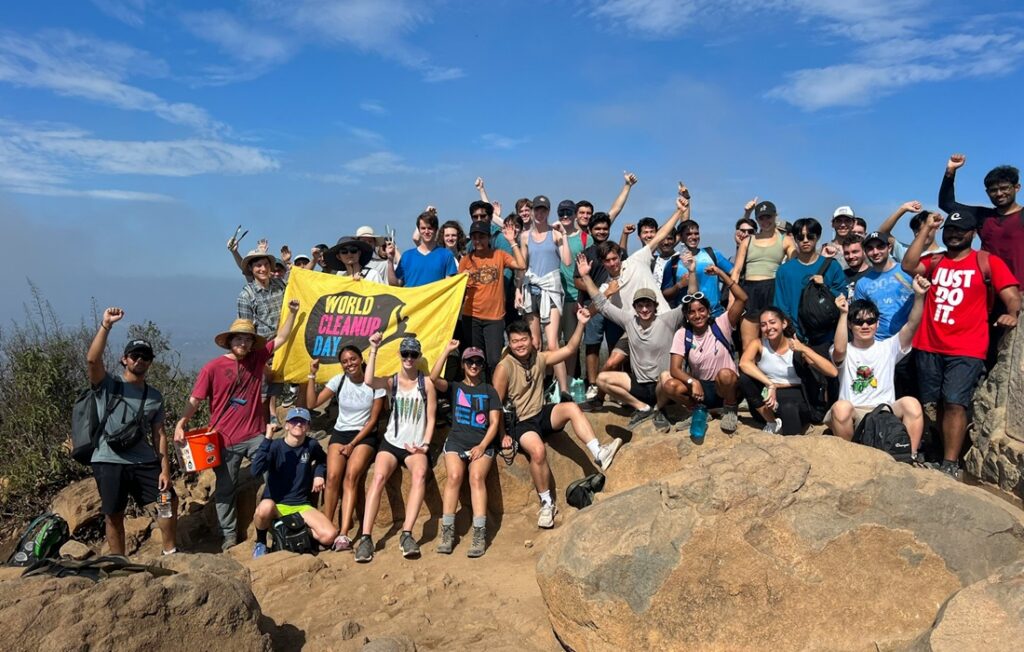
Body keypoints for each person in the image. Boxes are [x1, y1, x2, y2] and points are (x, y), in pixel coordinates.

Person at [901, 209, 1021, 478]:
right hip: (929, 343)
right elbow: (908, 265)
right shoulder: (935, 261)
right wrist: (925, 230)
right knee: (936, 403)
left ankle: (950, 462)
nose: (954, 235)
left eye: (960, 231)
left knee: (956, 402)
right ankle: (939, 452)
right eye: (950, 230)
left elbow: (1011, 294)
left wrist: (1011, 314)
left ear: (972, 233)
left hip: (967, 346)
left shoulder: (986, 261)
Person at [174, 301, 300, 551]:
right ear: (230, 341)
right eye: (239, 339)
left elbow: (282, 337)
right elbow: (195, 399)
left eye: (247, 340)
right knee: (225, 487)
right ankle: (229, 535)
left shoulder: (257, 358)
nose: (243, 344)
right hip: (224, 439)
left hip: (255, 434)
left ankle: (279, 522)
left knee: (274, 471)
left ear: (253, 343)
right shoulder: (213, 368)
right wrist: (182, 423)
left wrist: (294, 313)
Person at [493, 315, 622, 529]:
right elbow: (495, 404)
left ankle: (599, 453)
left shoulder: (539, 357)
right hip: (521, 423)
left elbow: (570, 349)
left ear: (531, 339)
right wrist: (502, 435)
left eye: (523, 339)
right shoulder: (504, 367)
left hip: (541, 413)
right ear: (509, 343)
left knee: (571, 407)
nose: (519, 345)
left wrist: (580, 322)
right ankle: (546, 504)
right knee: (538, 452)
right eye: (514, 341)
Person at [86, 308, 177, 556]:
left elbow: (159, 434)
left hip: (143, 459)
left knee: (166, 500)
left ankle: (171, 553)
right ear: (124, 359)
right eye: (135, 355)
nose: (140, 360)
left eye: (145, 356)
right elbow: (92, 360)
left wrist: (165, 469)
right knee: (114, 513)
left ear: (150, 362)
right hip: (108, 458)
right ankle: (118, 561)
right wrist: (106, 325)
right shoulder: (108, 384)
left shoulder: (154, 397)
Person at [577, 253, 683, 431]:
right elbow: (602, 303)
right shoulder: (630, 321)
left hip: (662, 387)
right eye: (640, 306)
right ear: (634, 308)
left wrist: (693, 274)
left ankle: (659, 409)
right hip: (639, 386)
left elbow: (690, 303)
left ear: (655, 306)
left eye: (648, 305)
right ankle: (642, 408)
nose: (644, 309)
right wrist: (586, 276)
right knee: (602, 379)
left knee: (666, 377)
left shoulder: (668, 319)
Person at [354, 335, 437, 563]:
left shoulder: (426, 383)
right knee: (378, 477)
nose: (409, 358)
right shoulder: (393, 382)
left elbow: (431, 417)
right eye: (405, 354)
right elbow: (368, 380)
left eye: (413, 354)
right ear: (400, 356)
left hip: (416, 446)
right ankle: (366, 538)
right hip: (392, 442)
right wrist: (373, 349)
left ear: (418, 357)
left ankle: (407, 533)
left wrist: (425, 445)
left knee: (420, 475)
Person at [827, 279, 929, 460]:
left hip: (885, 410)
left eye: (870, 320)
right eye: (858, 322)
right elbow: (839, 351)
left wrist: (920, 296)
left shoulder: (889, 347)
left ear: (877, 323)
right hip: (855, 410)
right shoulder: (845, 348)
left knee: (911, 404)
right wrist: (844, 314)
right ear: (850, 325)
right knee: (840, 409)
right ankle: (854, 458)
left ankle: (909, 457)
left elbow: (912, 325)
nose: (864, 325)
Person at [305, 345, 385, 552]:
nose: (349, 364)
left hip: (364, 435)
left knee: (351, 478)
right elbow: (312, 403)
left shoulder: (375, 383)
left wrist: (352, 444)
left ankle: (343, 533)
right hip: (340, 433)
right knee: (332, 477)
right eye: (345, 361)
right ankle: (326, 529)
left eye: (353, 359)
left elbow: (373, 419)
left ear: (361, 358)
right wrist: (312, 375)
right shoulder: (339, 381)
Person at [430, 342, 501, 557]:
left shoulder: (489, 390)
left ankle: (479, 533)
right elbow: (433, 379)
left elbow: (495, 423)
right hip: (456, 441)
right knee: (454, 476)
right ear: (463, 364)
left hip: (482, 442)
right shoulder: (455, 388)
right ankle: (448, 531)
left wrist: (482, 445)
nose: (474, 365)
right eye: (470, 361)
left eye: (478, 361)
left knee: (476, 477)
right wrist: (446, 351)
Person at [663, 263, 749, 434]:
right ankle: (700, 411)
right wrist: (692, 381)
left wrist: (720, 273)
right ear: (686, 316)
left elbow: (742, 299)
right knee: (669, 386)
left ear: (708, 311)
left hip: (726, 387)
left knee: (725, 374)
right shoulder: (683, 334)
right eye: (692, 312)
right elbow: (674, 368)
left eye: (701, 310)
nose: (697, 315)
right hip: (701, 390)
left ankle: (730, 410)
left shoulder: (721, 324)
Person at [250, 407, 337, 558]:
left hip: (301, 505)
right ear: (287, 425)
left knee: (329, 535)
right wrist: (267, 439)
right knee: (264, 508)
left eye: (302, 422)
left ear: (308, 426)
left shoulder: (311, 445)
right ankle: (261, 542)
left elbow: (324, 460)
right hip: (276, 505)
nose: (298, 425)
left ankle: (289, 531)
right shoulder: (275, 446)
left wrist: (318, 474)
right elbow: (255, 470)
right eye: (294, 421)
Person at [738, 307, 839, 435]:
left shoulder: (796, 347)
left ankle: (791, 445)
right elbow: (743, 363)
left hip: (795, 396)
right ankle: (771, 422)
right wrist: (770, 384)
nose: (768, 328)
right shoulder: (758, 344)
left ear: (784, 323)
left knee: (788, 408)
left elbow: (832, 372)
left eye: (772, 322)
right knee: (744, 379)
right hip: (768, 398)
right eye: (763, 325)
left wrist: (804, 349)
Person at [518, 194, 573, 395]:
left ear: (548, 212)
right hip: (531, 288)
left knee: (552, 343)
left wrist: (564, 235)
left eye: (543, 210)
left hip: (551, 289)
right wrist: (517, 289)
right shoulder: (525, 237)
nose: (540, 213)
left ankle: (564, 390)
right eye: (537, 209)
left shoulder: (556, 234)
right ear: (532, 212)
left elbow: (567, 261)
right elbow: (522, 266)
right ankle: (537, 390)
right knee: (534, 343)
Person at [939, 154, 1023, 283]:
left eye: (1004, 188)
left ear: (1017, 188)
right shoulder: (982, 216)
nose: (999, 193)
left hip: (1019, 291)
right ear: (987, 192)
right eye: (993, 190)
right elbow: (947, 203)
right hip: (988, 289)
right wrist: (951, 171)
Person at [461, 219, 526, 376]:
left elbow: (521, 264)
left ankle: (496, 394)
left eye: (482, 237)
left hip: (494, 318)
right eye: (475, 237)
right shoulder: (465, 260)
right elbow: (457, 290)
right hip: (471, 317)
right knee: (474, 360)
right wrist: (462, 278)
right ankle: (478, 394)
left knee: (494, 360)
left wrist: (512, 241)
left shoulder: (499, 255)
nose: (478, 241)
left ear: (489, 237)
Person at [236, 246, 289, 428]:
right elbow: (246, 330)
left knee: (276, 388)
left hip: (282, 345)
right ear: (251, 269)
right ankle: (259, 429)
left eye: (265, 264)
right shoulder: (246, 295)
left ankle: (274, 421)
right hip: (262, 349)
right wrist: (259, 358)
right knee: (262, 392)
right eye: (258, 266)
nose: (263, 269)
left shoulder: (279, 285)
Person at [773, 218, 847, 346]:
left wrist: (825, 287)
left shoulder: (832, 266)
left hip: (828, 336)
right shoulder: (784, 270)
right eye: (800, 237)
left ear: (817, 237)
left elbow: (843, 296)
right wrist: (791, 331)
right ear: (795, 239)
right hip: (795, 338)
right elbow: (780, 305)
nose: (805, 240)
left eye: (810, 236)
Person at [733, 200, 796, 350]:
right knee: (748, 343)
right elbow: (736, 271)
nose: (765, 221)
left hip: (773, 288)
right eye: (761, 218)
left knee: (772, 341)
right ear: (757, 219)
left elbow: (794, 267)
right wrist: (733, 297)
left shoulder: (785, 240)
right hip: (750, 290)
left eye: (768, 216)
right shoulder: (747, 241)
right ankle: (749, 371)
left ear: (775, 216)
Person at [662, 220, 733, 314]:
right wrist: (679, 285)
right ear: (681, 238)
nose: (693, 237)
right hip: (687, 316)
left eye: (696, 233)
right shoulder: (673, 262)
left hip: (715, 314)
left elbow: (735, 272)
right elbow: (665, 295)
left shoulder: (712, 254)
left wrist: (719, 272)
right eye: (688, 234)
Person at [388, 211, 458, 287]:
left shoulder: (446, 255)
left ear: (436, 230)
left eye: (430, 228)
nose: (426, 231)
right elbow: (395, 285)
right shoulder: (407, 256)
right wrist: (390, 261)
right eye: (423, 228)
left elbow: (449, 287)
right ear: (419, 230)